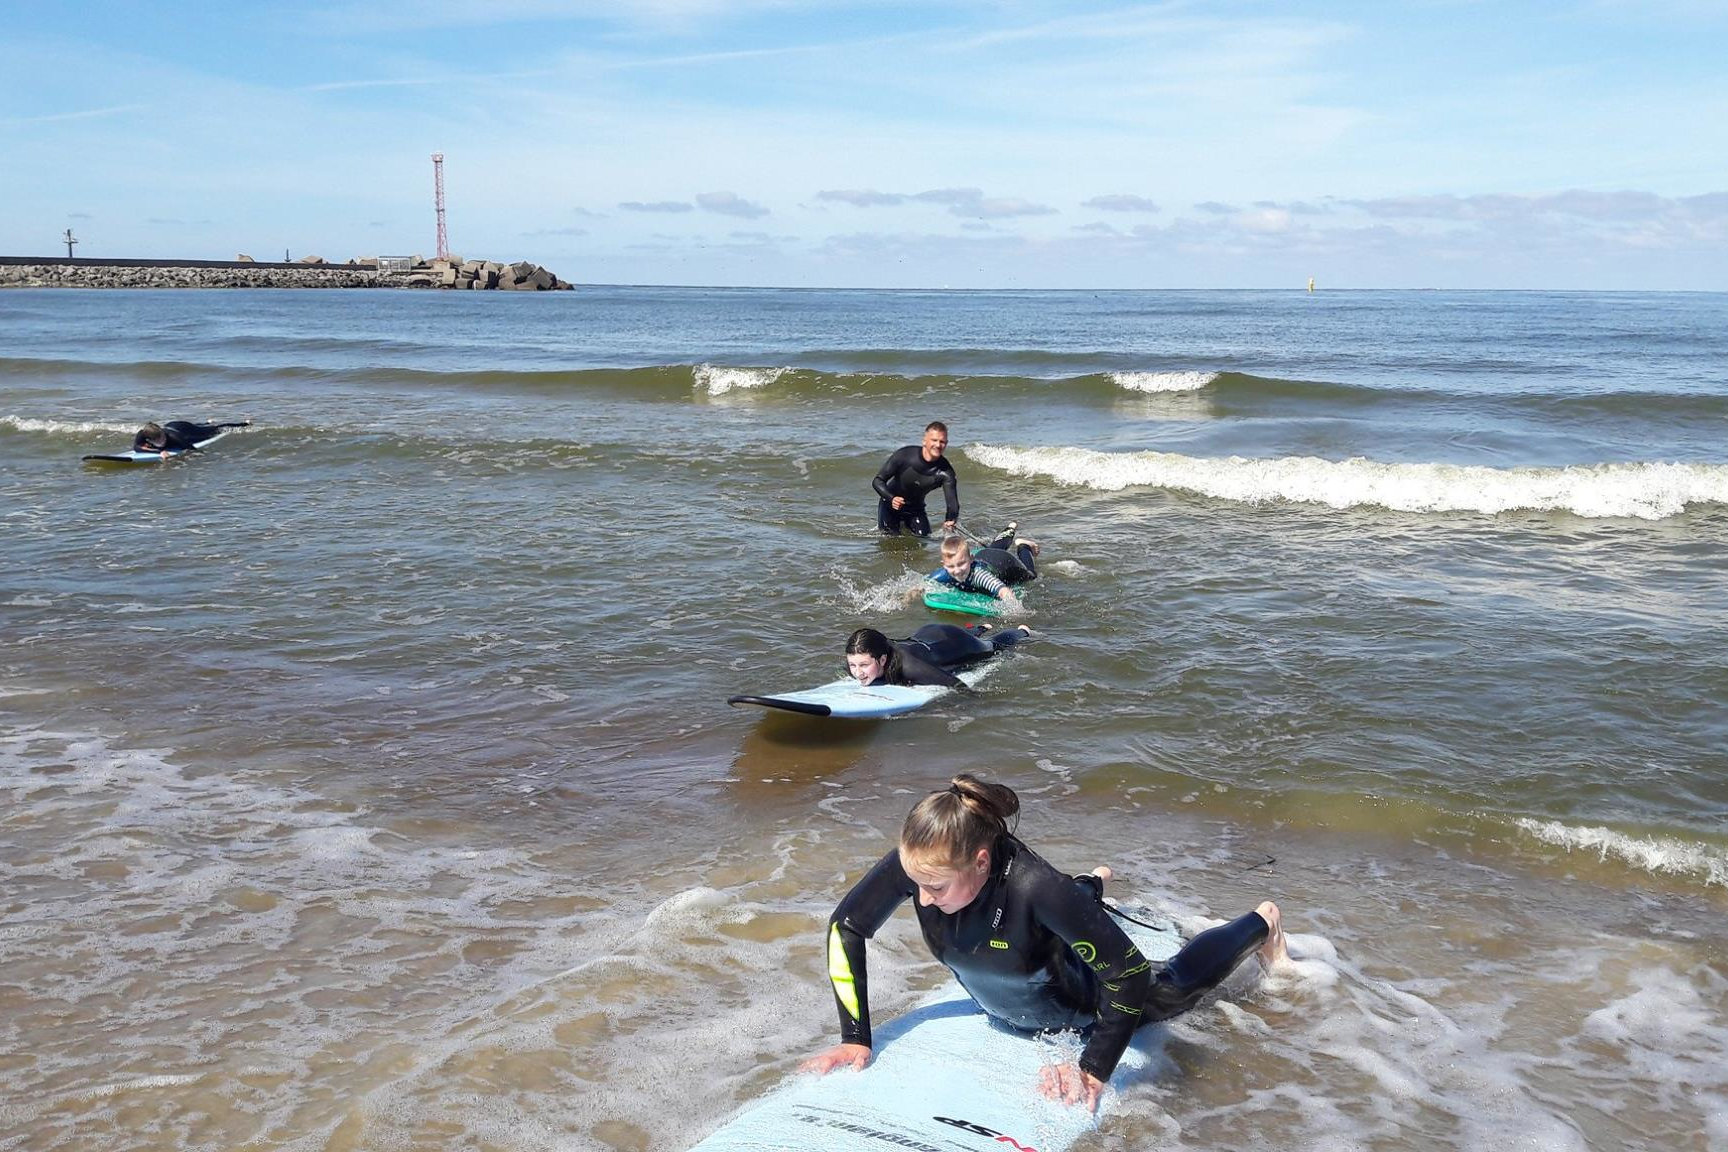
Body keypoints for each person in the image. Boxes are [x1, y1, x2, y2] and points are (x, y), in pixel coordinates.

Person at [802, 775, 1289, 1112]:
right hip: (1041, 926)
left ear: (981, 862)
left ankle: (1261, 923)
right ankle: (1092, 885)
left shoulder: (1036, 887)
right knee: (1066, 907)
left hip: (1082, 1003)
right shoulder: (922, 862)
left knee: (1175, 984)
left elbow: (1129, 976)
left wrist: (1093, 1067)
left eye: (935, 889)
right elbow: (846, 928)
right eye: (916, 885)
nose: (922, 902)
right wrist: (855, 1038)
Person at [844, 623, 1031, 690]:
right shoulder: (860, 657)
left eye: (864, 665)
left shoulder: (910, 666)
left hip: (953, 642)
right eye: (853, 665)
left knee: (991, 647)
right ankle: (979, 627)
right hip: (926, 635)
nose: (858, 673)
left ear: (882, 660)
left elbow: (955, 684)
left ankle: (1021, 631)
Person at [873, 422, 958, 537]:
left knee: (923, 540)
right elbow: (878, 481)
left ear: (946, 444)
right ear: (924, 441)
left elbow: (952, 504)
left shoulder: (946, 472)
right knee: (891, 540)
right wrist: (891, 498)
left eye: (942, 442)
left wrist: (950, 520)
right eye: (934, 440)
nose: (938, 445)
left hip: (916, 510)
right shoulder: (904, 456)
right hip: (889, 505)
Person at [928, 524, 1040, 608]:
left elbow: (1003, 591)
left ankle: (1024, 546)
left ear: (971, 559)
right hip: (985, 554)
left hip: (1005, 562)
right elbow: (922, 584)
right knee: (992, 548)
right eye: (951, 566)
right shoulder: (943, 573)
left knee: (1031, 575)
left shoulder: (980, 576)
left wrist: (1015, 612)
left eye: (961, 564)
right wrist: (911, 595)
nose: (957, 571)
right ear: (944, 565)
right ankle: (1010, 528)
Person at [133, 419, 249, 457]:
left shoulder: (174, 437)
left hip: (183, 430)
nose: (163, 441)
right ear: (149, 439)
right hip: (174, 426)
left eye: (163, 437)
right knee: (200, 426)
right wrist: (160, 451)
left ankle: (244, 424)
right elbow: (136, 448)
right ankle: (205, 422)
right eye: (159, 440)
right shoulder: (142, 434)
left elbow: (193, 450)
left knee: (213, 431)